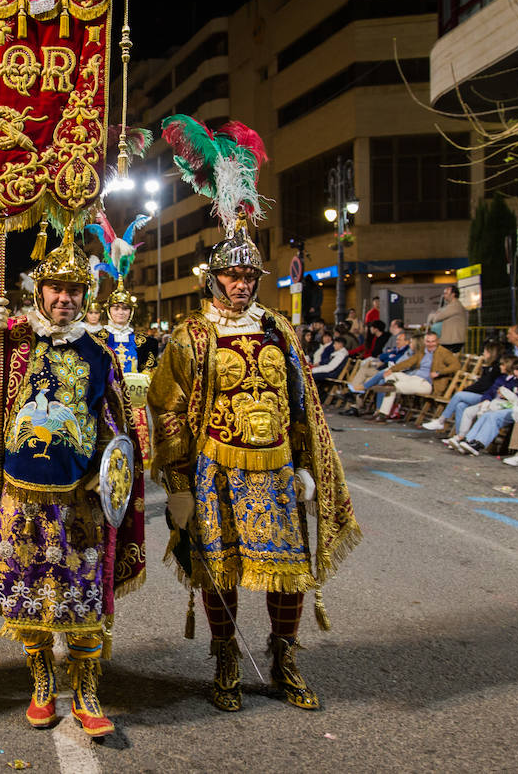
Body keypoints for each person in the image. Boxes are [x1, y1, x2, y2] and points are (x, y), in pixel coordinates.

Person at [148, 114, 359, 715]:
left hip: (274, 470)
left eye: (248, 277)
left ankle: (285, 657)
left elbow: (301, 405)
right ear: (213, 279)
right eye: (231, 277)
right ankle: (226, 659)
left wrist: (306, 465)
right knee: (223, 569)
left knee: (286, 571)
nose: (240, 286)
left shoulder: (279, 329)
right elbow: (166, 406)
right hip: (215, 470)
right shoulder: (190, 336)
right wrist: (180, 481)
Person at [0, 231, 143, 739]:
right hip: (18, 496)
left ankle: (84, 689)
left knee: (83, 597)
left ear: (87, 295)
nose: (65, 298)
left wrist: (111, 473)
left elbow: (114, 423)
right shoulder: (10, 341)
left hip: (81, 500)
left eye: (75, 289)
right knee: (29, 598)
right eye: (56, 288)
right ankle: (40, 682)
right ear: (40, 291)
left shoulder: (99, 352)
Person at [99, 265, 159, 469]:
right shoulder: (97, 339)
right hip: (105, 403)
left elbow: (150, 371)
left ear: (131, 312)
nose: (121, 312)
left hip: (134, 404)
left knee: (134, 456)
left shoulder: (144, 342)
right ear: (109, 310)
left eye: (125, 308)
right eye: (116, 308)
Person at [452, 358, 518, 455]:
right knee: (486, 415)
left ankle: (479, 444)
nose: (516, 372)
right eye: (515, 369)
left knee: (493, 416)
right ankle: (469, 439)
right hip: (511, 407)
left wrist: (512, 395)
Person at [371, 332, 459, 420]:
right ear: (424, 342)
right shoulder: (422, 352)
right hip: (412, 378)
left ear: (438, 341)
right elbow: (408, 362)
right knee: (389, 372)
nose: (430, 344)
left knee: (392, 388)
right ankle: (389, 382)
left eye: (433, 341)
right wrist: (392, 369)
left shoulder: (444, 352)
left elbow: (456, 365)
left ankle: (382, 414)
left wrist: (439, 372)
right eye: (428, 342)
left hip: (425, 384)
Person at [424, 341, 505, 432]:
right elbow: (482, 384)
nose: (483, 353)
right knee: (460, 406)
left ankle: (441, 420)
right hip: (481, 395)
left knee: (459, 395)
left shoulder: (495, 369)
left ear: (491, 353)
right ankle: (460, 436)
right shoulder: (490, 367)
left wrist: (466, 390)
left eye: (485, 351)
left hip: (487, 397)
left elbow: (484, 385)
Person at [426, 285, 467, 353]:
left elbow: (437, 317)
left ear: (453, 294)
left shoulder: (454, 306)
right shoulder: (451, 306)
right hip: (450, 341)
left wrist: (433, 316)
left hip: (452, 342)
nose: (444, 295)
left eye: (446, 293)